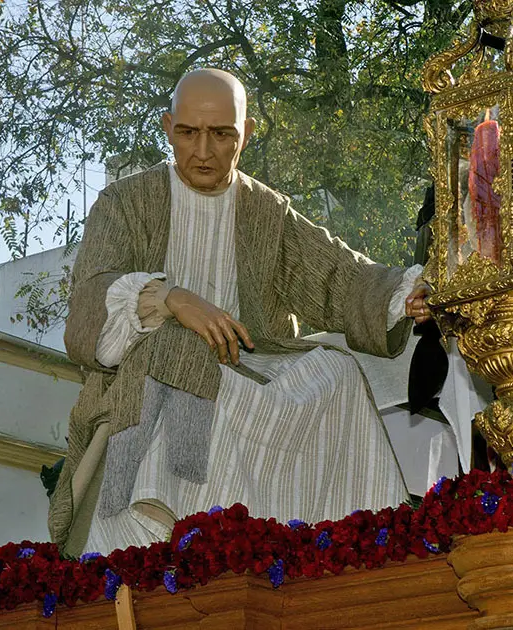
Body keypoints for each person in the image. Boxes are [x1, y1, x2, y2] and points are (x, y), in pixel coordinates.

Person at [50, 68, 432, 555]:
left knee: (336, 373)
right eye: (188, 132)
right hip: (156, 371)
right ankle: (158, 533)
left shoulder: (265, 211)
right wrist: (171, 298)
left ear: (246, 134)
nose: (203, 151)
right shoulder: (126, 202)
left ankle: (346, 547)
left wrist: (401, 294)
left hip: (253, 363)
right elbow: (89, 301)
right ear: (167, 127)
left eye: (221, 134)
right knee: (180, 348)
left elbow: (335, 275)